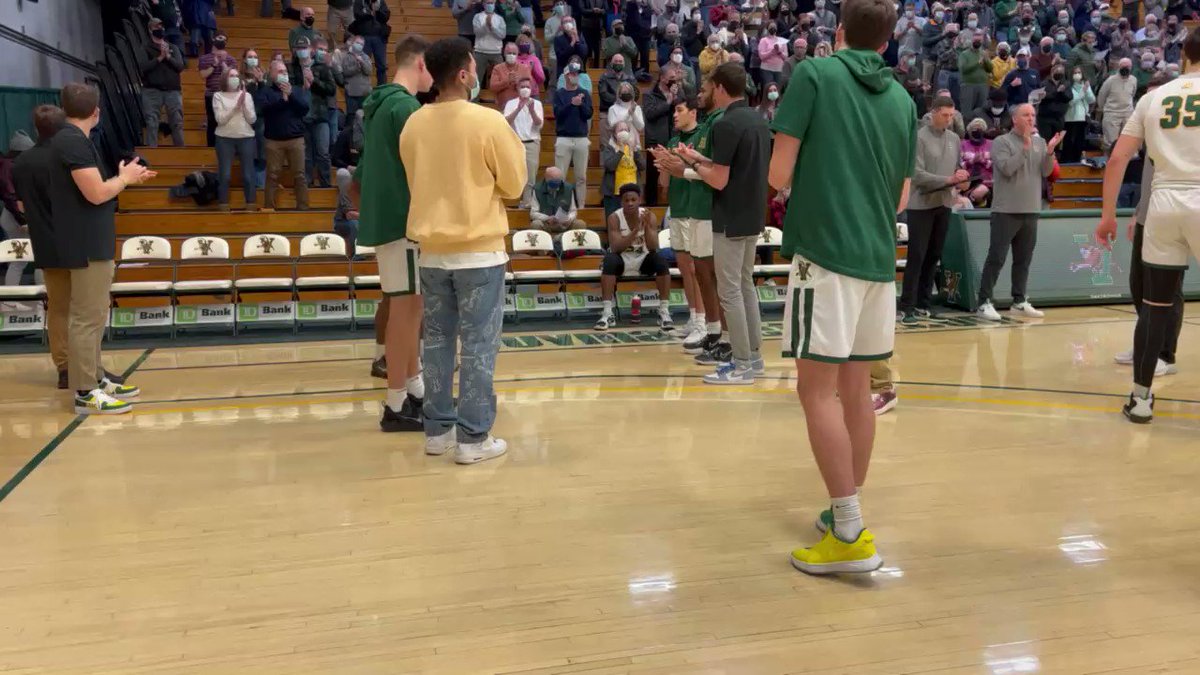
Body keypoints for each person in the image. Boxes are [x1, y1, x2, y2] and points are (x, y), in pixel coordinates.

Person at [767, 0, 915, 574]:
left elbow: (779, 174)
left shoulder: (815, 73)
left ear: (840, 31)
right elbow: (901, 197)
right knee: (858, 393)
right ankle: (844, 512)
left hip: (824, 254)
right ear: (887, 41)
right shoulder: (903, 98)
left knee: (815, 392)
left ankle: (849, 530)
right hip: (879, 260)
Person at [400, 37, 526, 464]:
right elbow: (514, 185)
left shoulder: (414, 123)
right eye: (475, 67)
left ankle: (437, 431)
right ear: (463, 73)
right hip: (479, 252)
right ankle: (473, 438)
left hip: (432, 252)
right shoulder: (487, 121)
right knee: (478, 345)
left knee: (436, 343)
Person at [1095, 37, 1200, 424]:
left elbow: (1119, 157)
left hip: (1163, 203)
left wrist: (1107, 215)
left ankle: (1140, 399)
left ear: (1184, 56)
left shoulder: (1153, 97)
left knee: (1154, 307)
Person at [50, 84, 151, 413]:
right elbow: (95, 193)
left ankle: (93, 377)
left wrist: (123, 176)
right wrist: (125, 180)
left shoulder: (71, 140)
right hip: (86, 243)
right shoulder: (73, 142)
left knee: (91, 317)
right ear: (96, 112)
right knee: (87, 319)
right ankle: (85, 392)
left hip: (83, 239)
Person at [354, 35, 433, 433]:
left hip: (390, 220)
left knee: (411, 308)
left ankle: (415, 389)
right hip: (405, 221)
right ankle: (396, 403)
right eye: (431, 69)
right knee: (405, 313)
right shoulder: (404, 107)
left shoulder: (380, 103)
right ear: (419, 64)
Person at [672, 63, 769, 385]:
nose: (708, 91)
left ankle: (741, 364)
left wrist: (690, 170)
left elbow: (719, 179)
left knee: (730, 292)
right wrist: (695, 159)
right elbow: (730, 166)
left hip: (729, 216)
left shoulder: (725, 124)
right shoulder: (757, 118)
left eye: (710, 86)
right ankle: (754, 358)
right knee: (745, 288)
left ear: (721, 88)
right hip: (753, 213)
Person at [976, 103, 1062, 321]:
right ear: (1014, 119)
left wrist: (1049, 151)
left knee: (1023, 259)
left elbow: (1046, 172)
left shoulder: (1040, 142)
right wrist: (1024, 147)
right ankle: (984, 302)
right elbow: (1007, 168)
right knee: (996, 257)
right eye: (1026, 115)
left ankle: (1019, 301)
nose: (1031, 118)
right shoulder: (1001, 142)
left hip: (1031, 209)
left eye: (1033, 115)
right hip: (1006, 210)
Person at [657, 95, 719, 353]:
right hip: (678, 208)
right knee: (684, 267)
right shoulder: (673, 141)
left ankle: (705, 323)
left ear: (693, 112)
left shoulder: (703, 136)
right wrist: (662, 163)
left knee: (697, 269)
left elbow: (707, 172)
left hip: (697, 209)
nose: (674, 115)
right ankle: (694, 317)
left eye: (679, 110)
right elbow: (664, 184)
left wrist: (681, 162)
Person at [11, 107, 67, 384]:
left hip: (43, 240)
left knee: (57, 308)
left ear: (36, 129)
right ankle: (89, 368)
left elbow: (21, 205)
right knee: (84, 310)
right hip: (75, 240)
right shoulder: (69, 157)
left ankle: (64, 368)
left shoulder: (21, 163)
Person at [902, 96, 962, 323]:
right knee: (917, 255)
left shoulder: (954, 139)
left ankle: (923, 302)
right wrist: (948, 179)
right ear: (933, 112)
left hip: (944, 202)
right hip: (921, 204)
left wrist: (961, 178)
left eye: (951, 116)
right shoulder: (919, 137)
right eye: (945, 115)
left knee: (934, 255)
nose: (948, 119)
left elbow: (955, 168)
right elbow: (917, 174)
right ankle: (906, 305)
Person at [594, 184, 674, 330]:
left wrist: (648, 227)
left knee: (661, 260)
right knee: (609, 260)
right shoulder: (614, 217)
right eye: (626, 200)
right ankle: (607, 313)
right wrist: (636, 229)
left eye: (633, 199)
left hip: (643, 257)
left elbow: (653, 247)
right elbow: (617, 247)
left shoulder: (649, 215)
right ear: (621, 202)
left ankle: (664, 311)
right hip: (621, 258)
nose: (630, 203)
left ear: (639, 200)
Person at [256, 59, 310, 211]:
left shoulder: (296, 90)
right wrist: (282, 100)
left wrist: (290, 95)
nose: (283, 74)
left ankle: (303, 209)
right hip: (274, 141)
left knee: (300, 176)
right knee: (272, 176)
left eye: (285, 72)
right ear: (272, 74)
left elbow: (304, 109)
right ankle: (269, 208)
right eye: (280, 72)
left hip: (296, 139)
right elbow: (263, 110)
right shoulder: (265, 91)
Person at [293, 37, 338, 188]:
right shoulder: (293, 69)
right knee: (306, 155)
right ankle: (307, 184)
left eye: (304, 47)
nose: (302, 51)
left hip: (320, 116)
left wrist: (315, 82)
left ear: (311, 49)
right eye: (299, 48)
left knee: (323, 153)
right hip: (302, 117)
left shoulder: (322, 68)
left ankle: (325, 185)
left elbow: (331, 90)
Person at [212, 68, 258, 210]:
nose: (235, 78)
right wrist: (235, 107)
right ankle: (223, 205)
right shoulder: (218, 96)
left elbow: (252, 119)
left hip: (246, 137)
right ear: (225, 78)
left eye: (237, 75)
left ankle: (250, 205)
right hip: (224, 138)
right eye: (231, 76)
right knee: (225, 175)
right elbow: (220, 119)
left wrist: (243, 104)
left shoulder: (247, 96)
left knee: (248, 175)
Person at [140, 18, 186, 148]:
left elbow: (180, 67)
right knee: (152, 122)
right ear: (150, 30)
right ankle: (152, 153)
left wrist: (168, 57)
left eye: (161, 27)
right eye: (156, 27)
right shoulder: (145, 47)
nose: (160, 29)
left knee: (177, 121)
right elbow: (143, 67)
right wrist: (160, 57)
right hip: (152, 90)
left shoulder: (173, 47)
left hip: (173, 90)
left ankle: (181, 151)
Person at [553, 65, 594, 203]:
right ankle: (559, 204)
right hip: (563, 138)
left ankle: (581, 205)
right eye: (572, 73)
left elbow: (588, 114)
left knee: (581, 176)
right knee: (560, 175)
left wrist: (580, 104)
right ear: (566, 76)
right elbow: (558, 114)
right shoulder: (559, 94)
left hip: (581, 138)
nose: (575, 75)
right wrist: (572, 103)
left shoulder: (584, 93)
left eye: (577, 73)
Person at [503, 77, 543, 208]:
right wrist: (518, 109)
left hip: (532, 142)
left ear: (531, 89)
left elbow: (539, 124)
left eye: (528, 87)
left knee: (530, 176)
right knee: (514, 173)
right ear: (517, 89)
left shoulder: (537, 104)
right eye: (522, 87)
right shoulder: (511, 103)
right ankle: (513, 203)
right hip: (515, 142)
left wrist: (531, 111)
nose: (525, 89)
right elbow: (506, 122)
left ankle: (527, 204)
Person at [642, 70, 678, 206]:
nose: (674, 80)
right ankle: (651, 204)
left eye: (675, 78)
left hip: (673, 137)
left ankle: (671, 203)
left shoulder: (676, 93)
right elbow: (650, 113)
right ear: (662, 78)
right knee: (653, 174)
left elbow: (683, 107)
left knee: (673, 172)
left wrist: (675, 98)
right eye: (671, 77)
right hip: (655, 139)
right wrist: (667, 103)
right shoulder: (649, 94)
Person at [199, 32, 238, 147]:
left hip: (227, 94)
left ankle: (226, 147)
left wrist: (224, 65)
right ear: (213, 39)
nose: (222, 41)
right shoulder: (205, 58)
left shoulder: (231, 59)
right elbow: (203, 75)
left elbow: (233, 77)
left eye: (224, 39)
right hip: (211, 94)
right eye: (220, 38)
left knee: (227, 122)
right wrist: (214, 65)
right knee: (212, 122)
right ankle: (211, 148)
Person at [600, 120, 645, 216]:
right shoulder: (609, 148)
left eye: (626, 130)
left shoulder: (633, 148)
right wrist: (620, 151)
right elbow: (609, 166)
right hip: (614, 193)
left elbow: (642, 166)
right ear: (615, 134)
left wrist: (635, 151)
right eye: (621, 130)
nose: (624, 132)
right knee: (613, 221)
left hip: (632, 192)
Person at [529, 166, 585, 238]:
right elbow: (533, 213)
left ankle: (571, 247)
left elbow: (573, 211)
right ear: (546, 178)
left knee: (580, 224)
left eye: (557, 180)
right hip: (547, 224)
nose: (556, 182)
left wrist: (569, 219)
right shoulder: (537, 189)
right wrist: (547, 218)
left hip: (564, 224)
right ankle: (543, 248)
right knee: (535, 224)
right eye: (553, 180)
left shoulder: (568, 188)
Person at [1096, 57, 1137, 152]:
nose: (1126, 68)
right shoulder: (1110, 80)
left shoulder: (1134, 80)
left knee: (1126, 141)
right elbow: (1101, 96)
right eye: (1123, 66)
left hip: (1127, 113)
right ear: (1119, 67)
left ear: (1131, 67)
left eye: (1128, 66)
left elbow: (1132, 94)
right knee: (1110, 142)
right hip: (1112, 113)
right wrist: (1105, 109)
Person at [598, 55, 638, 144]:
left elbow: (635, 95)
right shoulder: (604, 77)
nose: (618, 63)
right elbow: (604, 95)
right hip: (607, 113)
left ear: (624, 64)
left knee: (626, 144)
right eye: (616, 61)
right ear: (611, 63)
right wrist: (620, 100)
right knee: (606, 144)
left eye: (620, 61)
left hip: (625, 114)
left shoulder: (630, 79)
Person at [352, 0, 392, 85]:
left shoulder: (380, 2)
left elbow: (386, 17)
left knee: (382, 66)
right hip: (364, 37)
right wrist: (369, 13)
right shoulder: (359, 2)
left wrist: (377, 11)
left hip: (379, 38)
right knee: (363, 65)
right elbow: (357, 15)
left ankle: (382, 89)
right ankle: (363, 90)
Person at [1062, 65, 1095, 163]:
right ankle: (1066, 160)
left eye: (1079, 72)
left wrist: (1087, 90)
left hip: (1082, 118)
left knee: (1079, 141)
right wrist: (1083, 92)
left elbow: (1091, 99)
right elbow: (1071, 101)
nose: (1077, 75)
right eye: (1075, 73)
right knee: (1069, 140)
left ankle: (1077, 159)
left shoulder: (1085, 84)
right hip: (1070, 118)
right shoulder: (1068, 86)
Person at [337, 35, 375, 122]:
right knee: (351, 118)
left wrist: (361, 62)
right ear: (353, 43)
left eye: (361, 44)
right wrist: (356, 67)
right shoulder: (347, 57)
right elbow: (346, 71)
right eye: (357, 43)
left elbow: (369, 71)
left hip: (365, 93)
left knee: (365, 118)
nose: (359, 45)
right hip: (351, 93)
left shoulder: (365, 57)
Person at [961, 117, 994, 206]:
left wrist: (984, 161)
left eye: (980, 129)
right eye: (974, 129)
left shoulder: (992, 144)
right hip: (967, 181)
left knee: (980, 192)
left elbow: (997, 165)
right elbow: (958, 165)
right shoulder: (962, 144)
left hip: (987, 182)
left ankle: (971, 199)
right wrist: (971, 161)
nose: (977, 131)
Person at [489, 42, 534, 108]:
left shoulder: (524, 68)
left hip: (521, 107)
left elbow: (530, 87)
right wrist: (507, 81)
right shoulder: (497, 68)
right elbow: (493, 87)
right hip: (502, 107)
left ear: (517, 54)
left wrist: (518, 83)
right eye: (509, 53)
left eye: (514, 53)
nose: (511, 55)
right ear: (504, 54)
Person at [957, 33, 992, 115]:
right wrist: (978, 63)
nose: (977, 42)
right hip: (968, 85)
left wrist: (986, 60)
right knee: (967, 111)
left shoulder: (983, 53)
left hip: (982, 85)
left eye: (979, 40)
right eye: (975, 40)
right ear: (971, 40)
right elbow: (963, 69)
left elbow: (990, 69)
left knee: (981, 111)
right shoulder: (964, 54)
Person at [1037, 64, 1072, 144]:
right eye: (1058, 72)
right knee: (1045, 142)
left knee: (1056, 143)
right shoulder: (1044, 84)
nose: (1060, 74)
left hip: (1059, 119)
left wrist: (1062, 92)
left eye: (1062, 72)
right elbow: (1042, 97)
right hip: (1045, 118)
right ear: (1052, 72)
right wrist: (1056, 92)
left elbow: (1069, 97)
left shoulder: (1066, 84)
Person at [553, 17, 589, 82]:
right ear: (562, 26)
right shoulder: (558, 39)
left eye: (570, 21)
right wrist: (572, 43)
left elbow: (584, 54)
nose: (568, 23)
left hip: (579, 73)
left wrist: (577, 40)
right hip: (564, 73)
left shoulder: (580, 36)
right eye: (565, 22)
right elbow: (561, 57)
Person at [894, 49, 927, 117]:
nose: (913, 59)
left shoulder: (915, 70)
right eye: (910, 57)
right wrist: (918, 87)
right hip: (901, 98)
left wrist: (922, 86)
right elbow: (902, 87)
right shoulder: (894, 72)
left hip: (915, 98)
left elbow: (918, 83)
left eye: (914, 57)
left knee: (920, 98)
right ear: (903, 59)